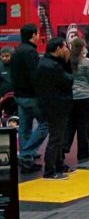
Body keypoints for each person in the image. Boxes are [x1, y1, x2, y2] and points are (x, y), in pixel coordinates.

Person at [37, 38, 74, 179]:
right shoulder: (54, 66)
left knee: (58, 136)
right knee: (56, 137)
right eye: (65, 47)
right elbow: (69, 80)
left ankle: (59, 165)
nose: (66, 50)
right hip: (57, 105)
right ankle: (50, 169)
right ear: (58, 48)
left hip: (51, 104)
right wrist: (67, 62)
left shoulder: (44, 63)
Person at [11, 24, 46, 173]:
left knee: (25, 127)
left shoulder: (17, 50)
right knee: (45, 124)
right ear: (33, 35)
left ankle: (26, 159)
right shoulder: (31, 52)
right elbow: (35, 76)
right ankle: (26, 153)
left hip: (19, 95)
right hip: (32, 96)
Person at [67, 38, 89, 165]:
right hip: (85, 96)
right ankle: (83, 154)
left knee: (70, 124)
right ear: (83, 48)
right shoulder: (87, 62)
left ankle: (64, 148)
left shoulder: (67, 61)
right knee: (83, 125)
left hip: (70, 96)